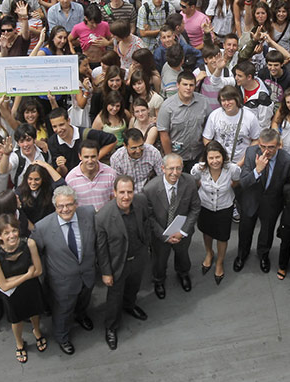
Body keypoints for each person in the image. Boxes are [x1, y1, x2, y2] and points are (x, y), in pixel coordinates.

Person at [32, 185, 97, 356]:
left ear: (76, 204)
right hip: (62, 281)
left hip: (88, 273)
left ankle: (81, 315)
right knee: (62, 311)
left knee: (84, 300)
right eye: (60, 206)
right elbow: (35, 253)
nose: (65, 209)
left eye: (69, 205)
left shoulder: (89, 214)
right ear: (55, 207)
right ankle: (62, 337)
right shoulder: (42, 227)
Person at [94, 175, 150, 350]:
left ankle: (130, 306)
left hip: (138, 258)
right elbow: (101, 249)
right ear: (114, 193)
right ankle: (111, 326)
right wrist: (106, 272)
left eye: (130, 192)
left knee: (134, 287)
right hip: (118, 264)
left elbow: (146, 224)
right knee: (114, 297)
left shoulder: (140, 204)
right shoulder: (103, 217)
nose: (126, 196)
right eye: (122, 192)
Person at [234, 128, 290, 274]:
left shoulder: (289, 161)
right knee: (245, 230)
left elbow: (289, 186)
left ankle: (263, 255)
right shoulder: (250, 153)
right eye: (262, 146)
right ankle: (242, 255)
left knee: (267, 233)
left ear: (279, 145)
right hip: (250, 200)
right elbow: (243, 182)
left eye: (271, 147)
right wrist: (257, 170)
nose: (266, 151)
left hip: (272, 203)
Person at [0, 213, 46, 364]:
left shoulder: (29, 244)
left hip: (31, 288)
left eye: (14, 230)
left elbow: (39, 271)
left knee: (34, 313)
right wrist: (27, 275)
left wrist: (14, 279)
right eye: (6, 233)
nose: (11, 235)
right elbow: (4, 285)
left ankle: (37, 331)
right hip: (13, 294)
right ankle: (19, 342)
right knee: (16, 320)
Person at [143, 153, 201, 298]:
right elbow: (149, 217)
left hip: (182, 232)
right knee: (159, 260)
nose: (175, 173)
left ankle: (183, 273)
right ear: (162, 168)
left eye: (178, 168)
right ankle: (159, 280)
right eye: (171, 168)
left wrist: (184, 231)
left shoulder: (190, 182)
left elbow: (195, 208)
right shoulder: (150, 189)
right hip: (160, 235)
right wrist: (163, 236)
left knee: (182, 255)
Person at [192, 141, 241, 284]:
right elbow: (195, 181)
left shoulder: (232, 169)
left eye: (217, 157)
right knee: (206, 232)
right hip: (205, 206)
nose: (214, 161)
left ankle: (219, 262)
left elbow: (236, 182)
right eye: (211, 158)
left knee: (222, 236)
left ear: (223, 157)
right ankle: (209, 253)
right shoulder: (198, 169)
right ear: (206, 159)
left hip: (224, 207)